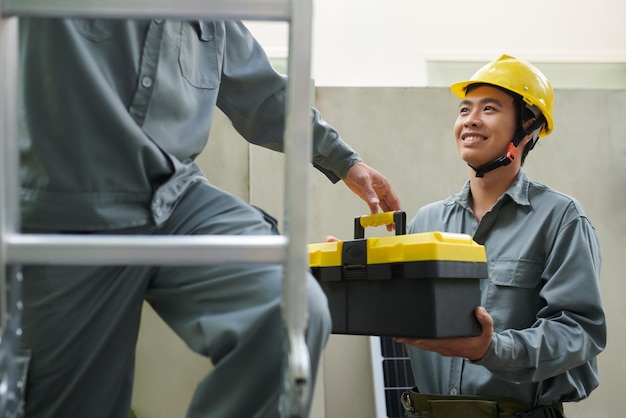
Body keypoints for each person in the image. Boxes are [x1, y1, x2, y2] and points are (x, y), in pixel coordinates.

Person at [17, 18, 401, 418]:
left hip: (176, 197)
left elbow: (264, 94)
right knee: (70, 404)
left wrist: (345, 162)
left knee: (290, 314)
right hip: (68, 201)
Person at [395, 54, 606, 417]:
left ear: (528, 125)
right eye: (464, 110)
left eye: (489, 109)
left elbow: (580, 332)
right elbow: (401, 313)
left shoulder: (560, 219)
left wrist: (490, 348)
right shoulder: (427, 221)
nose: (470, 120)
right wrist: (358, 273)